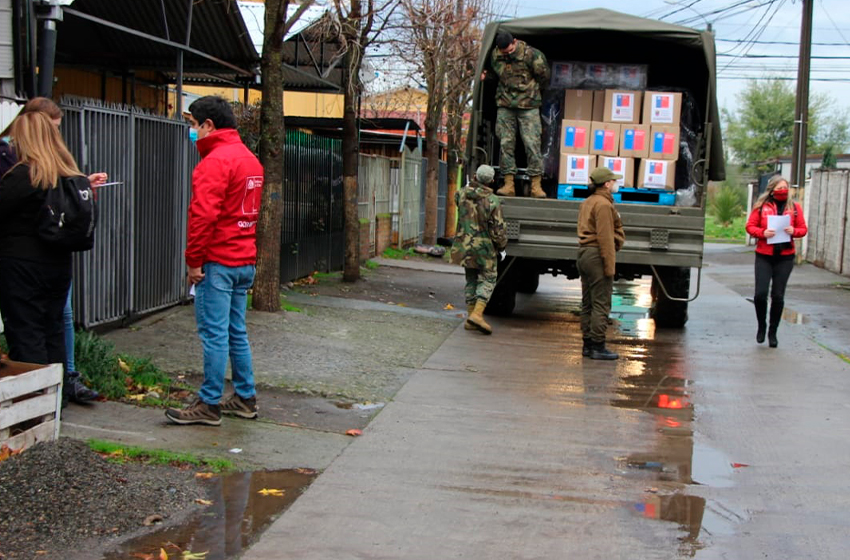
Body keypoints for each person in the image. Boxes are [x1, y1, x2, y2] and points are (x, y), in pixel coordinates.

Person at [166, 96, 264, 426]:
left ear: (209, 125)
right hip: (243, 259)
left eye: (194, 125)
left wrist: (194, 262)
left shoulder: (215, 162)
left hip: (218, 261)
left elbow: (202, 217)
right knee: (236, 332)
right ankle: (245, 397)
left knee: (214, 334)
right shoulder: (249, 160)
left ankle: (209, 403)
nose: (193, 131)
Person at [0, 111, 95, 401]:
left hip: (21, 266)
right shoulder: (70, 175)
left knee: (26, 332)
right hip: (58, 264)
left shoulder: (25, 175)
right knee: (52, 330)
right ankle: (57, 399)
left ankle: (32, 403)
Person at [745, 175, 807, 348]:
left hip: (785, 257)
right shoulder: (761, 207)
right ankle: (761, 326)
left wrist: (794, 230)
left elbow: (803, 229)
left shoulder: (794, 207)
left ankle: (773, 331)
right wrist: (762, 233)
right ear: (771, 190)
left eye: (785, 188)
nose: (783, 191)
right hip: (764, 255)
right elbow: (750, 226)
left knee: (778, 296)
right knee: (760, 294)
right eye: (779, 188)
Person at [486, 30, 549, 199]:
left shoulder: (532, 55)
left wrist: (532, 92)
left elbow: (544, 77)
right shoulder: (496, 55)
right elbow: (495, 73)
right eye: (504, 52)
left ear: (514, 42)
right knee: (506, 144)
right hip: (505, 104)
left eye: (509, 50)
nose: (507, 54)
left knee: (532, 144)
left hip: (528, 106)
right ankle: (509, 184)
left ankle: (536, 185)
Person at [450, 164, 507, 335]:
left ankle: (470, 318)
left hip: (464, 246)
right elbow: (498, 230)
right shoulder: (493, 200)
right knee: (488, 279)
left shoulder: (460, 194)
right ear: (491, 181)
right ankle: (477, 314)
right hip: (484, 248)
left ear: (474, 177)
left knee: (471, 279)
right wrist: (501, 245)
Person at [577, 167, 626, 360]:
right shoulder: (604, 205)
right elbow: (605, 238)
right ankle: (598, 346)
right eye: (613, 181)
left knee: (588, 303)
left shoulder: (588, 201)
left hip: (584, 254)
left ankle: (588, 344)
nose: (615, 184)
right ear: (606, 184)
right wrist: (609, 266)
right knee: (601, 303)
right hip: (597, 254)